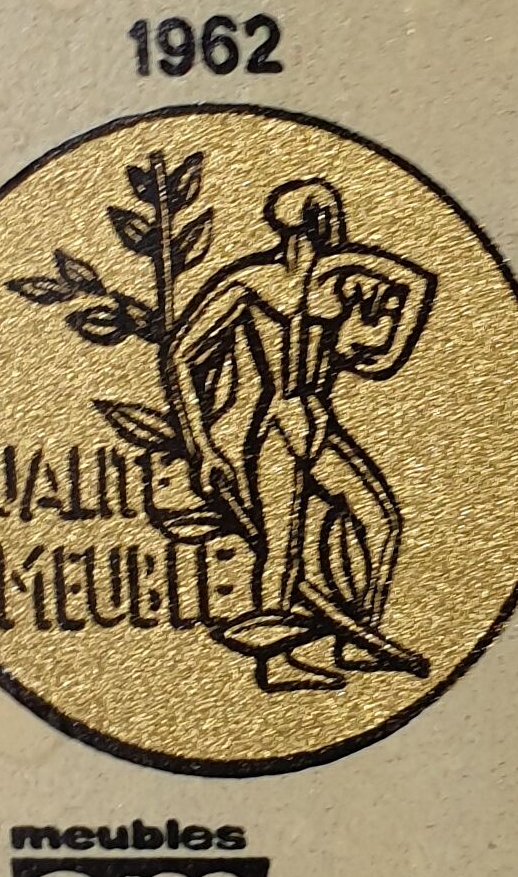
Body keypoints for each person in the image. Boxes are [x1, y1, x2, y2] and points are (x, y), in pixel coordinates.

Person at [163, 176, 436, 691]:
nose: (331, 235)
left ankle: (357, 639)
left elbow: (418, 286)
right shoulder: (251, 284)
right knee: (282, 549)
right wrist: (201, 447)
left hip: (317, 421)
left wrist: (381, 356)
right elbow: (180, 354)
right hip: (278, 426)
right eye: (326, 224)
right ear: (313, 226)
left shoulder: (340, 283)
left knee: (380, 522)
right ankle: (276, 663)